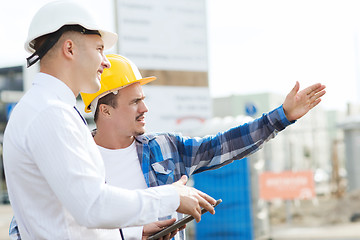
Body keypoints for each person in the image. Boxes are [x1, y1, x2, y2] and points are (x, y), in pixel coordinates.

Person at [3, 2, 216, 239]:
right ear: (70, 49)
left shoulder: (44, 108)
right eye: (99, 49)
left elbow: (68, 214)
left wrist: (133, 232)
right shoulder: (50, 113)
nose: (105, 62)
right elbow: (92, 205)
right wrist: (172, 196)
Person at [79, 54, 324, 240]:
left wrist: (282, 116)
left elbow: (222, 144)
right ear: (106, 110)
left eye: (143, 99)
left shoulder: (165, 148)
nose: (145, 109)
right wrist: (135, 233)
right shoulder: (77, 161)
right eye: (135, 102)